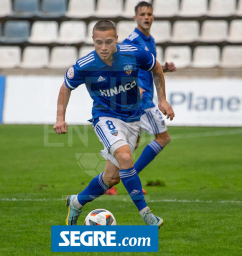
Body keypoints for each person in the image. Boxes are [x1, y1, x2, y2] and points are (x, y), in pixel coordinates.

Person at [53, 20, 175, 227]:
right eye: (98, 42)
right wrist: (60, 118)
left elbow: (156, 69)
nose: (103, 47)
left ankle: (76, 202)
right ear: (92, 40)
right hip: (105, 117)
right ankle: (147, 216)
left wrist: (162, 98)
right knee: (126, 157)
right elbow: (66, 87)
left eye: (108, 42)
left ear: (116, 39)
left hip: (133, 118)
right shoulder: (85, 65)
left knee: (112, 178)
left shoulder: (134, 54)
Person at [106, 1, 177, 196]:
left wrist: (164, 69)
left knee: (130, 145)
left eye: (149, 14)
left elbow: (149, 68)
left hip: (143, 97)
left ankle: (109, 184)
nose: (146, 17)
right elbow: (117, 63)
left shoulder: (150, 40)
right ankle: (131, 179)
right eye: (142, 14)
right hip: (140, 100)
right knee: (163, 138)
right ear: (135, 17)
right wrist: (133, 85)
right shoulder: (132, 41)